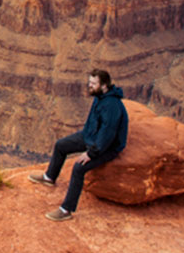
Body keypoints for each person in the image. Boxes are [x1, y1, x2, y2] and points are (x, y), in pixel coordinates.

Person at [29, 68, 128, 221]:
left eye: (93, 83)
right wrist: (86, 137)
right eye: (89, 82)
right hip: (90, 136)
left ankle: (66, 210)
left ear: (104, 85)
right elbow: (95, 125)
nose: (89, 86)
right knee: (61, 145)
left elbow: (107, 134)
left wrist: (91, 153)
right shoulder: (100, 97)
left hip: (107, 147)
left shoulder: (111, 105)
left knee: (78, 168)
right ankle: (49, 177)